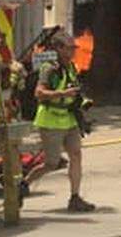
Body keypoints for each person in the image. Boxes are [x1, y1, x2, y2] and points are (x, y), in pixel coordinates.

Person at [33, 28, 95, 211]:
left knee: (76, 155)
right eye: (68, 48)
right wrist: (62, 93)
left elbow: (73, 91)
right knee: (52, 164)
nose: (72, 51)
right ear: (58, 49)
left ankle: (74, 198)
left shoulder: (72, 67)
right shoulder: (49, 68)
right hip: (50, 120)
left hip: (69, 119)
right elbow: (39, 93)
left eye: (73, 48)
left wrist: (82, 101)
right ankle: (23, 185)